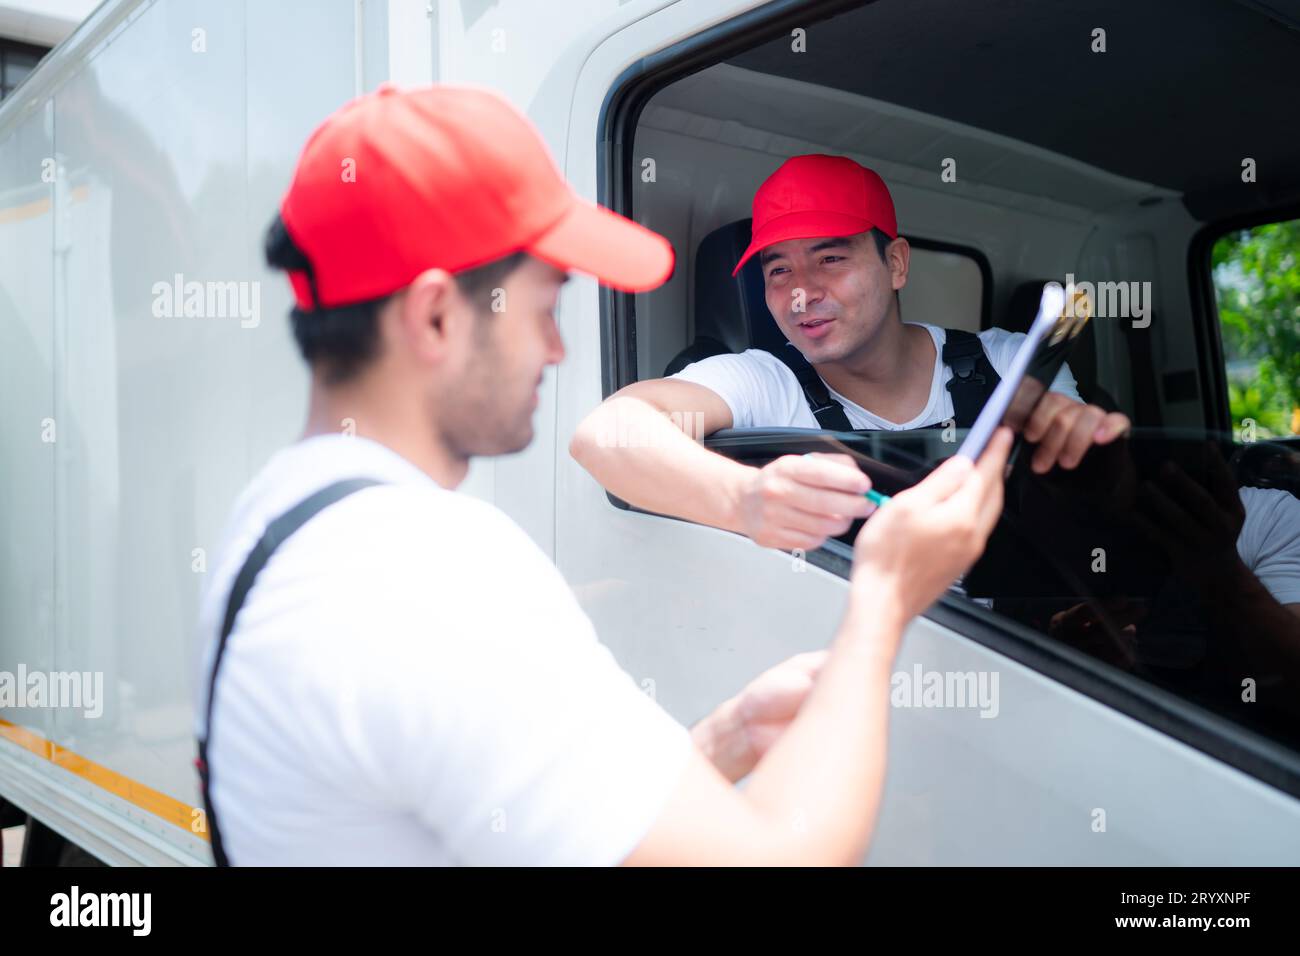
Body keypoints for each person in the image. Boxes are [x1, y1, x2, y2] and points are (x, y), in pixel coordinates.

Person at [193, 84, 1011, 866]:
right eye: (545, 308)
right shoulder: (433, 575)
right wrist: (883, 601)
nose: (556, 349)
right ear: (436, 316)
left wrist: (720, 744)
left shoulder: (288, 514)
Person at [571, 154, 1130, 552]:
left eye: (831, 259)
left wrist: (1075, 435)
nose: (801, 291)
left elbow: (1097, 498)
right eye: (779, 269)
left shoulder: (1001, 362)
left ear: (896, 264)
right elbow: (606, 432)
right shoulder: (766, 382)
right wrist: (744, 500)